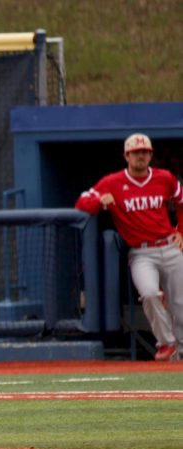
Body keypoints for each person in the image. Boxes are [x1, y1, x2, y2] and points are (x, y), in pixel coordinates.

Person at [76, 133, 183, 362]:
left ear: (151, 155)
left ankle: (180, 353)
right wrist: (99, 201)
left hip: (169, 245)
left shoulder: (164, 178)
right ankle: (167, 343)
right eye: (135, 153)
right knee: (149, 293)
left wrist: (181, 231)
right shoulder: (112, 182)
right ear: (126, 156)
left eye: (144, 152)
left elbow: (181, 202)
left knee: (179, 303)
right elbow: (82, 202)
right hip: (141, 251)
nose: (140, 156)